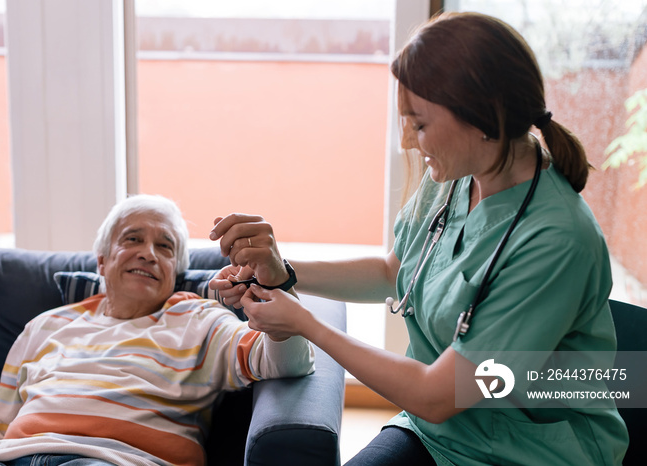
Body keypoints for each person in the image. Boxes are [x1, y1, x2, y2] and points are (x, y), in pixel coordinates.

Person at [208, 11, 628, 466]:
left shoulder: (558, 240)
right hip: (440, 435)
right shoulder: (456, 172)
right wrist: (285, 271)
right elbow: (396, 271)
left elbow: (438, 395)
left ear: (486, 118)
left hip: (532, 451)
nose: (408, 140)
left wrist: (306, 324)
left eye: (420, 123)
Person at [0, 194, 314, 466]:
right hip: (9, 459)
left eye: (165, 246)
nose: (148, 253)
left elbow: (286, 362)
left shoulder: (199, 319)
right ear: (103, 261)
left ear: (175, 270)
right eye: (133, 239)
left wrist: (276, 284)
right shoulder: (46, 325)